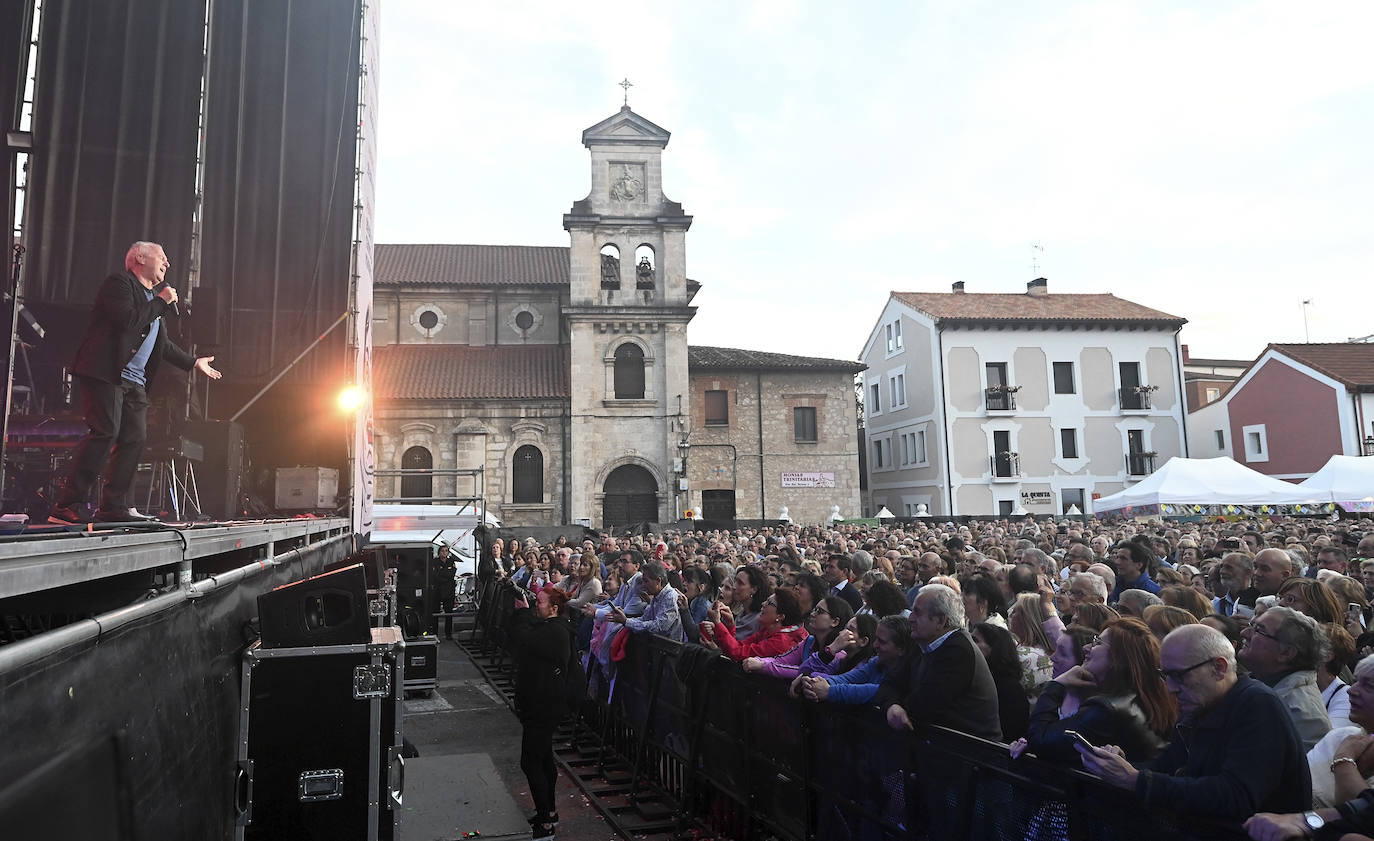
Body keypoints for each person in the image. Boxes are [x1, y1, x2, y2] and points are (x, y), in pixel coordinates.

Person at [50, 241, 222, 524]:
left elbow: (162, 344)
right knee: (105, 432)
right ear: (140, 258)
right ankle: (67, 505)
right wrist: (161, 302)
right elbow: (128, 320)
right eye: (162, 258)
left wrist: (193, 362)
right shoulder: (119, 284)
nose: (168, 264)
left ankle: (114, 507)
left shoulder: (153, 298)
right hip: (106, 373)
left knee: (134, 438)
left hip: (134, 381)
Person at [1077, 623, 1311, 821]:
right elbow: (1166, 767)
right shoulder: (1201, 703)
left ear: (1219, 668)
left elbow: (1236, 796)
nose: (1170, 688)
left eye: (1179, 676)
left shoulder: (1258, 705)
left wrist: (1136, 780)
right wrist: (1122, 766)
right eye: (1165, 675)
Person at [1012, 617, 1175, 765]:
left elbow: (1041, 742)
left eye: (1097, 643)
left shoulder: (1107, 710)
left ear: (1117, 659)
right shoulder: (1144, 693)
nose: (1086, 647)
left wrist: (1056, 684)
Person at [876, 583, 1003, 740]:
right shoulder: (921, 642)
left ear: (940, 621)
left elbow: (923, 705)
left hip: (970, 754)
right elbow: (890, 683)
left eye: (917, 613)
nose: (910, 618)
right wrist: (892, 706)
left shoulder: (959, 652)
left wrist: (897, 704)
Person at [508, 587, 573, 840]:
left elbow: (525, 637)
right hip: (542, 703)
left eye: (541, 602)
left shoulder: (556, 631)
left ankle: (545, 824)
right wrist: (524, 610)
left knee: (531, 761)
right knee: (544, 758)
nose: (537, 605)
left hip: (544, 705)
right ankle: (549, 811)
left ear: (554, 607)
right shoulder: (553, 626)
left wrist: (522, 612)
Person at [1239, 606, 1333, 751]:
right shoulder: (1253, 683)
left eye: (1259, 630)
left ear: (1286, 652)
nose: (1244, 633)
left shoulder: (1302, 716)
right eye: (1251, 625)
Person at [703, 589, 808, 661]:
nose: (763, 604)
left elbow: (737, 653)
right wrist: (730, 625)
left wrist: (718, 623)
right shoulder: (768, 630)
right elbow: (740, 646)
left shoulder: (781, 642)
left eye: (769, 603)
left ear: (780, 616)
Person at [971, 622, 1031, 740]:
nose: (969, 644)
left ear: (995, 649)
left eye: (975, 640)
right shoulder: (977, 680)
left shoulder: (1010, 689)